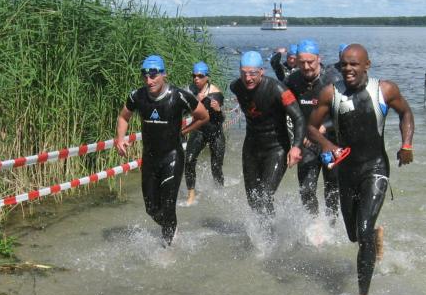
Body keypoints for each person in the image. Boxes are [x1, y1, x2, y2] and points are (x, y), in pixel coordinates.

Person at [307, 44, 414, 295]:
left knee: (363, 230)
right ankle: (373, 235)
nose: (348, 69)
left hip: (376, 168)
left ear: (367, 65)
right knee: (354, 235)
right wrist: (327, 145)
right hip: (346, 171)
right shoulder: (330, 93)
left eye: (354, 64)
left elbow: (406, 113)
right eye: (344, 64)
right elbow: (311, 127)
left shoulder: (385, 90)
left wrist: (407, 145)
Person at [115, 55, 208, 245]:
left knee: (168, 206)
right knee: (151, 209)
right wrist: (120, 138)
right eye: (145, 76)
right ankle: (172, 229)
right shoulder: (137, 96)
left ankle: (168, 248)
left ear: (164, 74)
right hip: (149, 160)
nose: (149, 81)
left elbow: (203, 116)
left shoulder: (179, 96)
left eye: (153, 76)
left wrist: (185, 131)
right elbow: (124, 117)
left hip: (172, 158)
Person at [230, 50, 304, 218]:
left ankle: (270, 232)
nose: (248, 78)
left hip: (276, 148)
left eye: (253, 73)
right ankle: (265, 230)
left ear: (262, 71)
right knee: (253, 199)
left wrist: (296, 147)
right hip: (251, 147)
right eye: (244, 73)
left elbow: (298, 117)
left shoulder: (278, 89)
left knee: (264, 197)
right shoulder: (236, 87)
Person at [284, 39, 341, 220]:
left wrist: (323, 127)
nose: (306, 66)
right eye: (302, 62)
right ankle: (315, 224)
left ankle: (331, 225)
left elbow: (345, 113)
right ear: (296, 61)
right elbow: (284, 110)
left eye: (310, 62)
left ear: (319, 59)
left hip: (332, 142)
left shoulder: (333, 80)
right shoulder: (292, 81)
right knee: (306, 190)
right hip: (307, 142)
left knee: (332, 190)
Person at [184, 61, 225, 206]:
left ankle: (219, 192)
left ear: (207, 77)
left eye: (200, 76)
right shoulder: (190, 90)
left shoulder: (216, 93)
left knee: (216, 166)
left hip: (215, 131)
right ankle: (191, 195)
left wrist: (218, 110)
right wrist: (196, 101)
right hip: (199, 130)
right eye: (194, 76)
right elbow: (184, 110)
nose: (196, 79)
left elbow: (221, 119)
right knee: (189, 161)